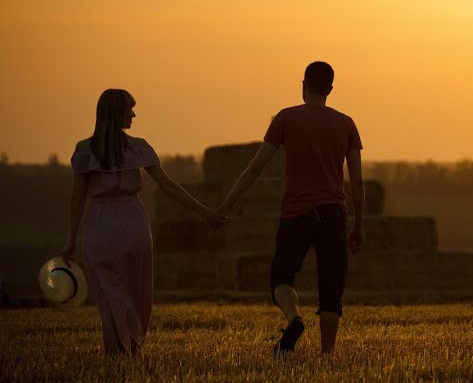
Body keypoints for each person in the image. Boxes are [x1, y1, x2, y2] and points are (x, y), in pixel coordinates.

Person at [64, 89, 228, 355]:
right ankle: (130, 346)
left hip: (100, 226)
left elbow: (77, 199)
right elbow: (168, 186)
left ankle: (116, 356)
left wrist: (71, 239)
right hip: (134, 224)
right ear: (116, 113)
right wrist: (205, 212)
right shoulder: (138, 147)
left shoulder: (84, 150)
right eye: (129, 109)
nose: (133, 114)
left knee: (109, 296)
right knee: (134, 293)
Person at [218, 61, 365, 356]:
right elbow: (357, 183)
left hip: (296, 213)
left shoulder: (286, 118)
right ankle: (326, 355)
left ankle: (294, 318)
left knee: (282, 278)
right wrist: (359, 226)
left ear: (303, 85)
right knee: (331, 288)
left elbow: (255, 167)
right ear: (331, 89)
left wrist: (225, 205)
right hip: (334, 213)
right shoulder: (346, 123)